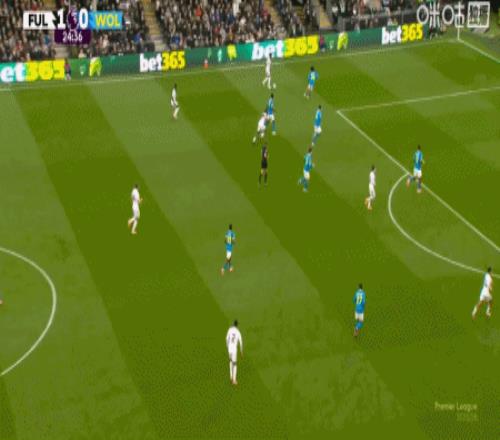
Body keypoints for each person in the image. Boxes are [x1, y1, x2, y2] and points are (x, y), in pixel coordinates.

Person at [226, 320, 243, 385]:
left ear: (233, 324)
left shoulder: (230, 329)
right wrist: (241, 351)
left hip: (229, 348)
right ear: (237, 325)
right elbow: (241, 342)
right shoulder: (238, 332)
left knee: (230, 361)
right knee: (235, 364)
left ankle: (231, 377)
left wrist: (228, 346)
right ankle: (234, 380)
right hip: (234, 349)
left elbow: (226, 338)